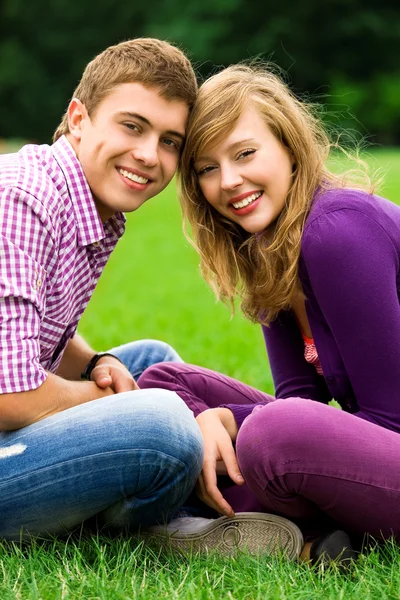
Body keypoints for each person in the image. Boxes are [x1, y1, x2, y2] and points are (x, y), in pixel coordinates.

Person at [138, 63, 400, 564]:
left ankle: (220, 516)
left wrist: (228, 422)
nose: (230, 181)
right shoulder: (269, 251)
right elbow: (302, 397)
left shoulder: (337, 231)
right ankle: (300, 535)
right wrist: (206, 420)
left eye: (245, 153)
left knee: (269, 435)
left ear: (289, 146)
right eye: (207, 168)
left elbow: (389, 420)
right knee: (162, 384)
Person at [0, 38, 204, 540]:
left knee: (157, 363)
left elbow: (36, 328)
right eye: (132, 126)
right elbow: (10, 393)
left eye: (169, 141)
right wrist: (107, 400)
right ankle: (160, 529)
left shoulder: (84, 201)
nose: (147, 154)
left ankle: (167, 511)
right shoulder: (23, 199)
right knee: (163, 423)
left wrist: (95, 365)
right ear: (78, 117)